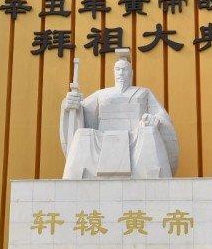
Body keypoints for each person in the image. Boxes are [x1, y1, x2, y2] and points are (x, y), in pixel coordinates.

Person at [60, 49, 178, 179]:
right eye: (117, 69)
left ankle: (154, 176)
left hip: (137, 139)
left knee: (150, 132)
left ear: (131, 73)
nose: (121, 73)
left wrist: (154, 119)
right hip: (102, 140)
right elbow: (81, 110)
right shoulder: (102, 94)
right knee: (82, 134)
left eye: (124, 69)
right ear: (114, 72)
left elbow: (162, 116)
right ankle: (74, 177)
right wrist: (72, 104)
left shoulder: (143, 92)